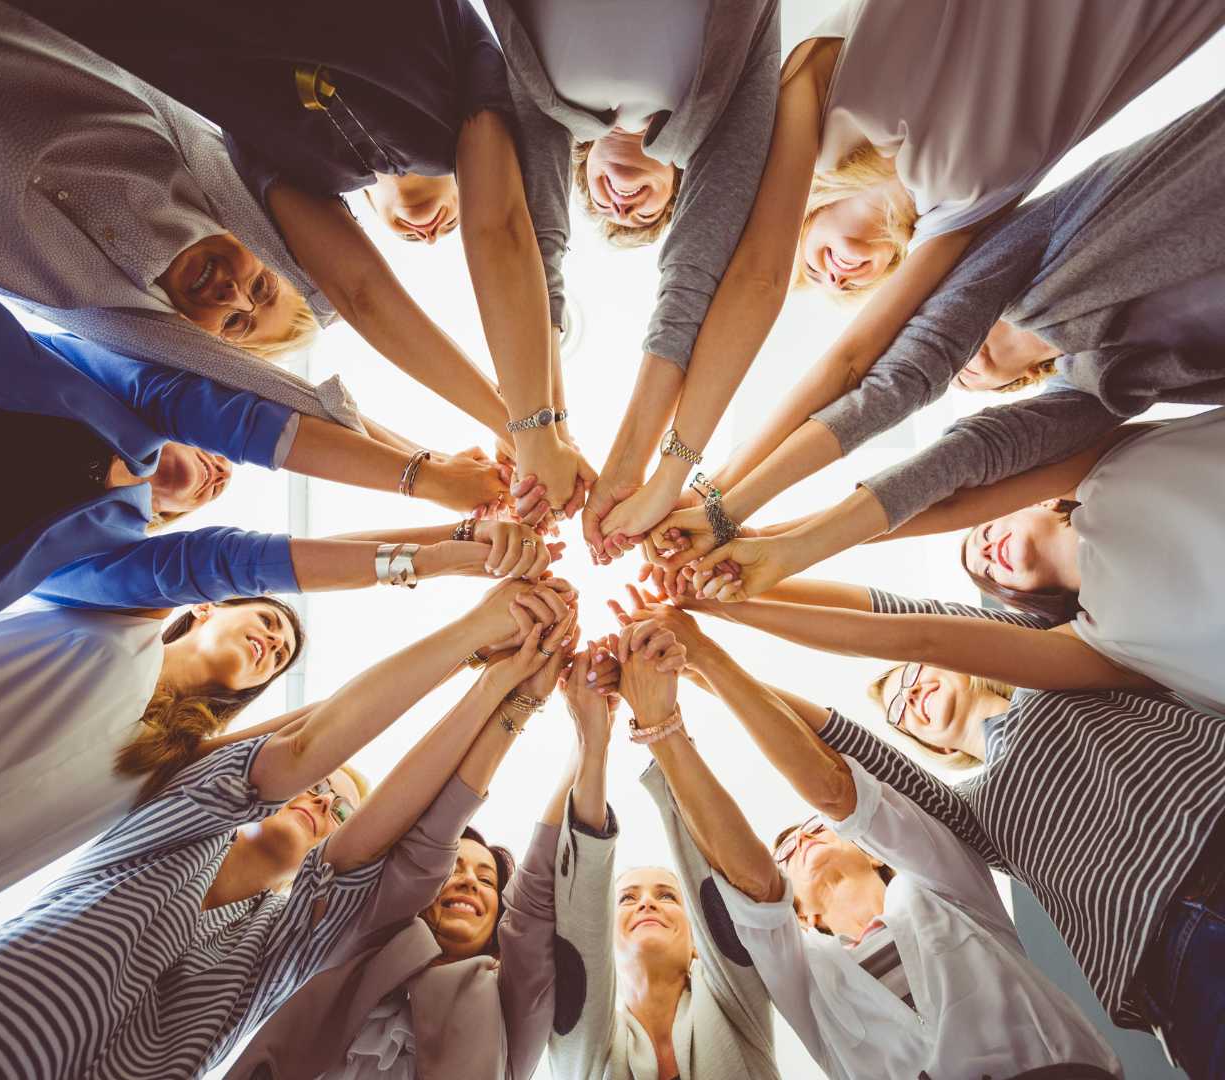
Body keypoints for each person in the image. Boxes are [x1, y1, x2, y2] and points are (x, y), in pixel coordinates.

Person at [594, 0, 1223, 557]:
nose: (835, 276)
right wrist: (716, 500)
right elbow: (876, 373)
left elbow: (770, 289)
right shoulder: (966, 221)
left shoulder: (810, 101)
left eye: (810, 267)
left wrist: (679, 476)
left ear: (799, 218)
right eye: (848, 290)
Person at [0, 577, 578, 1079]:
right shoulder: (178, 827)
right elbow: (305, 745)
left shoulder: (286, 940)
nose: (324, 800)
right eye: (319, 786)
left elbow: (386, 827)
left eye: (339, 806)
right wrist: (476, 648)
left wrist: (502, 687)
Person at [2, 0, 594, 519]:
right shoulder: (480, 68)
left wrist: (529, 429)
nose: (237, 293)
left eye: (244, 312)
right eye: (262, 288)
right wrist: (535, 428)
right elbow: (512, 236)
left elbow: (359, 294)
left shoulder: (264, 156)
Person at [647, 577, 1225, 1078]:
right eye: (897, 707)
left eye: (912, 675)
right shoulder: (967, 819)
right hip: (1166, 947)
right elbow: (842, 753)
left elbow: (907, 622)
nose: (910, 693)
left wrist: (730, 601)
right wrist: (701, 668)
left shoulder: (1043, 663)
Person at [0, 261, 548, 648]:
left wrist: (442, 551)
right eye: (225, 460)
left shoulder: (92, 557)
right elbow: (221, 411)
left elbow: (231, 565)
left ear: (169, 520)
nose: (222, 470)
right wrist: (425, 475)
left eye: (217, 490)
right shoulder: (127, 391)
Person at [0, 572, 573, 931]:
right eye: (268, 623)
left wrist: (469, 661)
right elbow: (202, 551)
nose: (274, 645)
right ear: (204, 606)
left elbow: (313, 733)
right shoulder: (122, 617)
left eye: (281, 657)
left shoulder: (164, 761)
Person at [225, 625, 620, 1080]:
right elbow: (431, 839)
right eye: (454, 871)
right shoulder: (362, 943)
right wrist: (519, 699)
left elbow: (535, 901)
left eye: (487, 880)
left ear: (496, 921)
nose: (470, 880)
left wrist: (591, 740)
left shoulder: (510, 1004)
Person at [480, 0, 782, 558]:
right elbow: (692, 280)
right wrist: (617, 461)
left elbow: (532, 244)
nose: (621, 205)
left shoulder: (551, 106)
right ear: (680, 185)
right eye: (645, 215)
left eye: (605, 206)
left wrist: (548, 434)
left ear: (585, 165)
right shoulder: (712, 117)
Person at [687, 407, 1225, 714]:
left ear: (1028, 502)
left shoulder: (1109, 460)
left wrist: (764, 536)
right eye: (985, 571)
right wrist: (731, 606)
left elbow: (950, 498)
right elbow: (918, 638)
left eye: (986, 532)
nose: (987, 551)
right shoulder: (1101, 644)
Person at [548, 619, 781, 1080]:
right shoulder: (582, 1042)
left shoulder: (739, 1008)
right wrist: (592, 743)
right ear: (608, 934)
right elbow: (580, 921)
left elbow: (711, 881)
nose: (648, 901)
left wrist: (660, 723)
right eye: (628, 897)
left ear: (697, 939)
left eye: (668, 895)